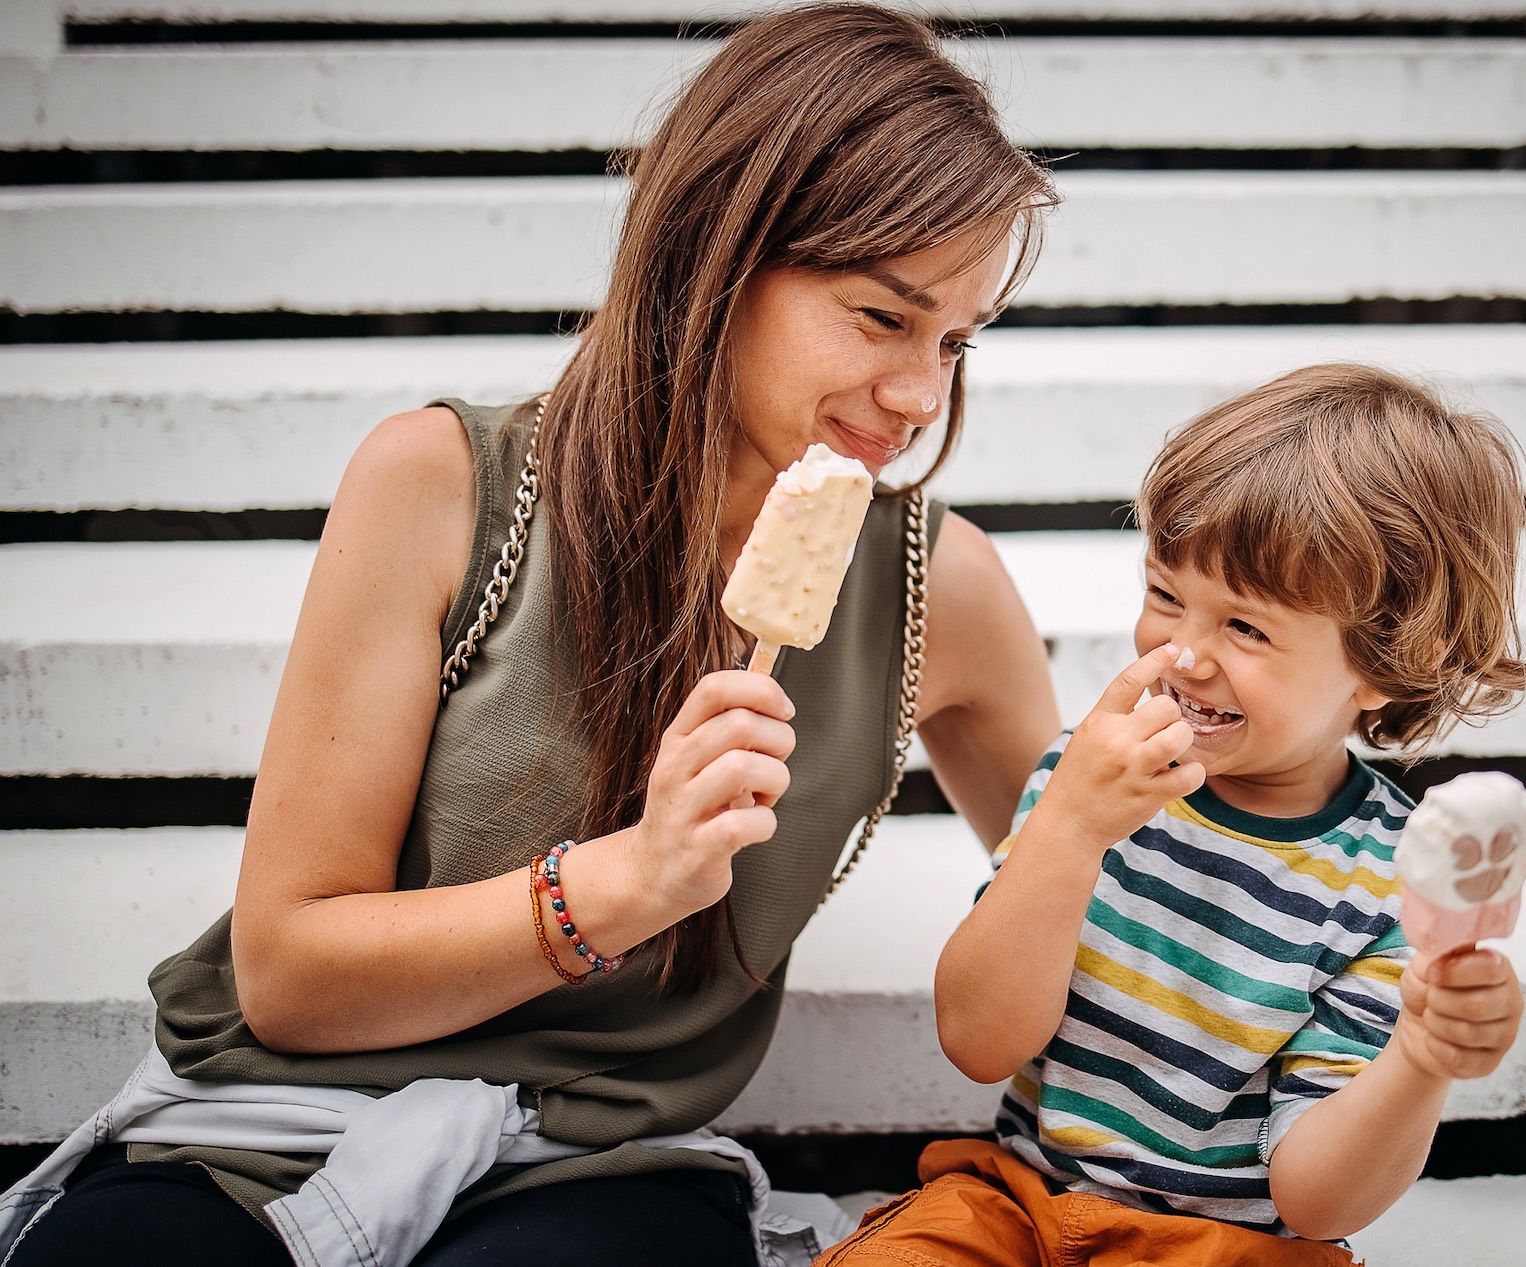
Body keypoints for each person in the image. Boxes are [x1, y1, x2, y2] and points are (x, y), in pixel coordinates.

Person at [1, 6, 1061, 1265]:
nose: (919, 394)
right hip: (263, 1126)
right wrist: (624, 882)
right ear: (713, 253)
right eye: (881, 319)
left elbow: (1113, 928)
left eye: (954, 339)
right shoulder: (444, 488)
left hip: (614, 1161)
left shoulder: (938, 589)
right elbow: (286, 969)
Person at [822, 363, 1526, 1265]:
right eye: (1165, 594)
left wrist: (1421, 1060)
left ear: (1386, 663)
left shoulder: (1392, 888)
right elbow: (977, 1038)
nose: (1183, 653)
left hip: (1222, 1246)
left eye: (1247, 628)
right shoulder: (1097, 775)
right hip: (1024, 1204)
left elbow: (1316, 1200)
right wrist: (1073, 827)